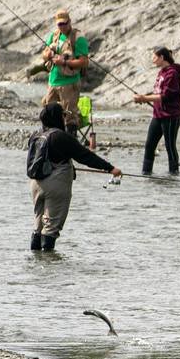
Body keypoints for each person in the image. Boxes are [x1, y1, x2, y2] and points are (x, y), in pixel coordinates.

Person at [26, 102, 121, 251]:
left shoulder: (35, 136)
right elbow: (85, 156)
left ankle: (35, 263)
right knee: (51, 228)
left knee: (38, 226)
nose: (64, 118)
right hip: (55, 186)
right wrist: (110, 168)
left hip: (35, 185)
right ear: (57, 117)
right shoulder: (61, 137)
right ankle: (48, 267)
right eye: (63, 115)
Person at [133, 47, 180, 175]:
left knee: (170, 147)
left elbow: (165, 96)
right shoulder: (161, 72)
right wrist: (144, 97)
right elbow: (157, 92)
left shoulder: (172, 74)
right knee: (149, 145)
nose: (153, 61)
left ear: (162, 58)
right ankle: (146, 174)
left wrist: (144, 98)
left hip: (171, 116)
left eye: (154, 57)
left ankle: (174, 175)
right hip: (158, 115)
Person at [40, 9, 88, 135]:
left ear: (69, 22)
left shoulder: (78, 38)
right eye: (59, 24)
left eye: (64, 23)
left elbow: (84, 62)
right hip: (53, 81)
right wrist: (49, 55)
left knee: (70, 116)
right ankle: (50, 140)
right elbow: (44, 54)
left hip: (70, 83)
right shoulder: (54, 36)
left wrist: (65, 62)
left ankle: (71, 141)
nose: (62, 27)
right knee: (48, 113)